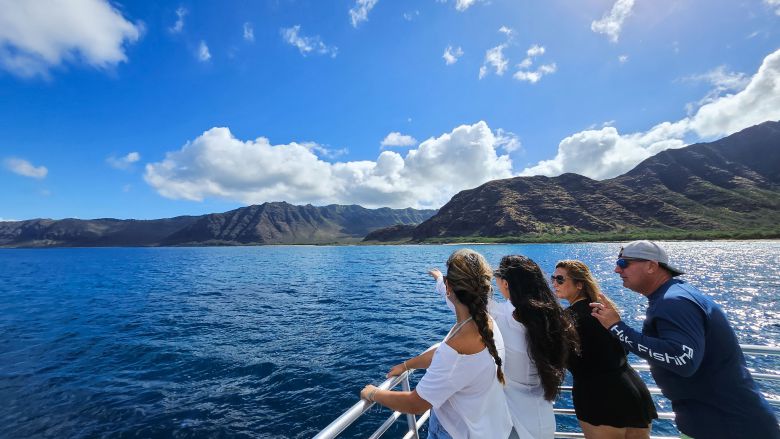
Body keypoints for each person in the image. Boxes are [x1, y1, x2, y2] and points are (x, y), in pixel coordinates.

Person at [591, 240, 780, 439]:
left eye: (624, 264)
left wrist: (617, 327)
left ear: (651, 266)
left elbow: (683, 359)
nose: (616, 270)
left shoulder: (674, 302)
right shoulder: (674, 295)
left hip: (729, 426)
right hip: (712, 423)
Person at [360, 249, 512, 439]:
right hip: (487, 428)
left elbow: (416, 404)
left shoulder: (459, 343)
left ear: (448, 286)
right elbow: (444, 355)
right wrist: (407, 365)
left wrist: (373, 393)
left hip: (455, 433)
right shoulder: (483, 322)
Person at [553, 259, 657, 439]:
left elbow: (562, 358)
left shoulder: (568, 319)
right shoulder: (606, 310)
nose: (554, 283)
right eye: (553, 278)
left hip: (599, 397)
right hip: (633, 391)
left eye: (560, 279)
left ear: (579, 284)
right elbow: (623, 348)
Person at [488, 255, 580, 439]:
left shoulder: (501, 316)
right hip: (542, 422)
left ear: (506, 284)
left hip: (513, 426)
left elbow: (464, 303)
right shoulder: (552, 317)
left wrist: (441, 282)